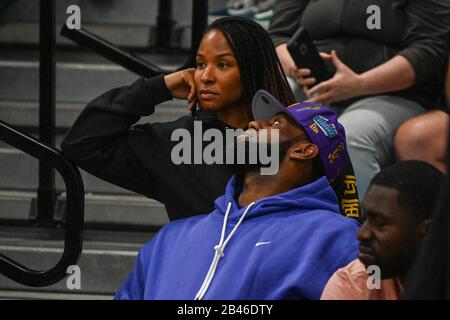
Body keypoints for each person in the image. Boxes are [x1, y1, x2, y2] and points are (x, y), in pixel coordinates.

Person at [61, 16, 361, 221]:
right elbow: (83, 144)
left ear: (253, 68)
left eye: (223, 65)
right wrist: (157, 87)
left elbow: (348, 219)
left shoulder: (301, 135)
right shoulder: (179, 142)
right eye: (200, 64)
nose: (205, 76)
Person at [114, 91, 360, 300]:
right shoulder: (170, 238)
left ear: (303, 150)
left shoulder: (337, 239)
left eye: (275, 124)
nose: (253, 123)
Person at [268, 0, 450, 197]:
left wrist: (359, 84)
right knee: (262, 112)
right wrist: (295, 67)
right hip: (311, 86)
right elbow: (277, 35)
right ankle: (251, 217)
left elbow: (429, 50)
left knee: (350, 136)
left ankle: (362, 225)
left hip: (390, 94)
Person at [320, 161, 445, 300]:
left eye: (379, 223)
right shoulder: (353, 284)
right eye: (365, 219)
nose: (362, 234)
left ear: (427, 233)